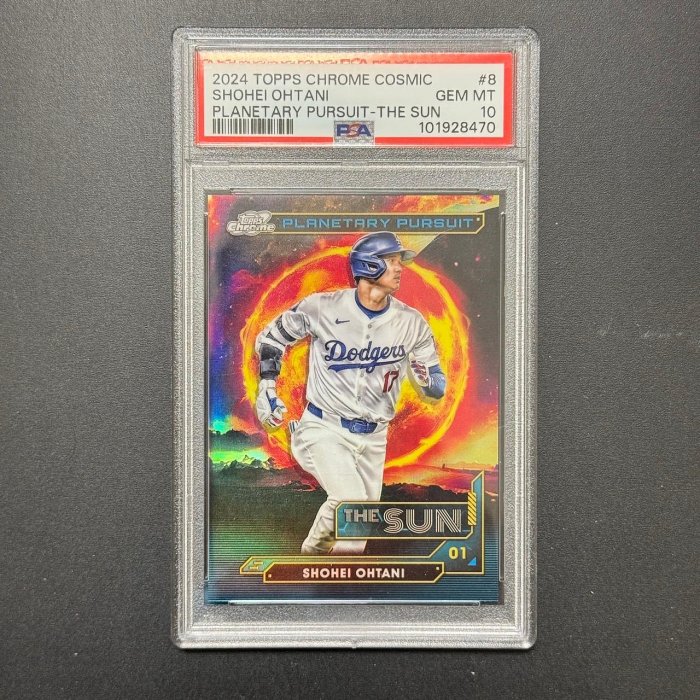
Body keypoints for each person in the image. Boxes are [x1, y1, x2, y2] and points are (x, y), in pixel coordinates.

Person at [254, 231, 446, 554]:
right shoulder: (323, 307)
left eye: (399, 261)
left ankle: (321, 568)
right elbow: (272, 338)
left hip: (375, 438)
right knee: (351, 503)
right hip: (324, 427)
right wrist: (267, 387)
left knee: (356, 536)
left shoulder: (412, 323)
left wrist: (429, 382)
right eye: (392, 261)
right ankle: (310, 561)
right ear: (369, 265)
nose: (400, 268)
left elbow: (437, 384)